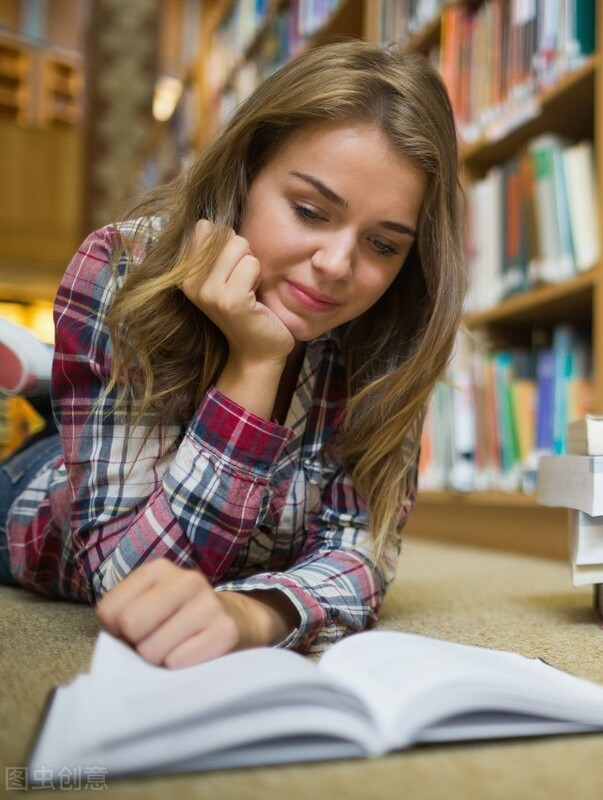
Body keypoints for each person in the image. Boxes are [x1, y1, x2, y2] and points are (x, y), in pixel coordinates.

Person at [0, 40, 466, 669]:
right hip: (37, 495)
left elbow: (361, 552)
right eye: (308, 211)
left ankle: (46, 375)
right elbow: (130, 584)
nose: (335, 266)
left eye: (382, 245)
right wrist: (254, 365)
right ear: (246, 173)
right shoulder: (122, 267)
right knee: (48, 462)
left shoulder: (393, 327)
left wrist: (254, 613)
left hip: (169, 460)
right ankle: (48, 380)